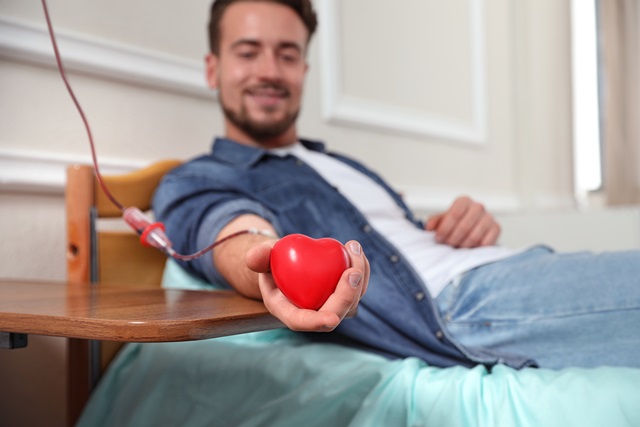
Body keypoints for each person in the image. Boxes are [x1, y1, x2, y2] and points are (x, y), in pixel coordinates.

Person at [153, 0, 640, 370]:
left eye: (287, 54)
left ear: (303, 69)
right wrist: (267, 261)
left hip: (512, 265)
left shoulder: (341, 165)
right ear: (213, 68)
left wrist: (464, 225)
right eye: (248, 52)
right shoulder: (198, 178)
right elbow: (230, 234)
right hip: (463, 303)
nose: (268, 71)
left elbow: (405, 244)